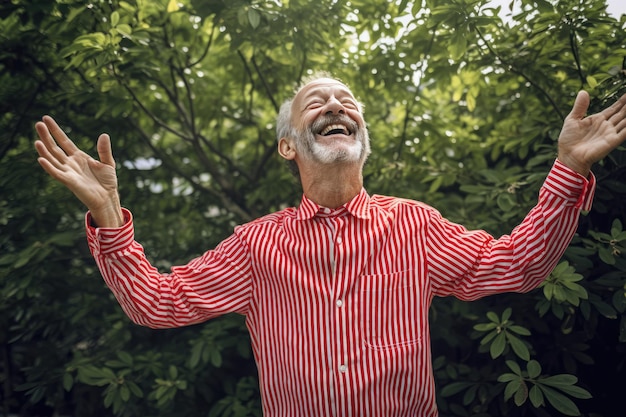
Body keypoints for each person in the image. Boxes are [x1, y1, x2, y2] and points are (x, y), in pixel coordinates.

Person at [34, 74, 626, 416]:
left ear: (363, 140)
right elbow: (156, 304)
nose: (335, 106)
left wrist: (569, 167)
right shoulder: (255, 247)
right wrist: (109, 213)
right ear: (290, 146)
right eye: (315, 103)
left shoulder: (414, 227)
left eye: (345, 102)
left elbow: (518, 265)